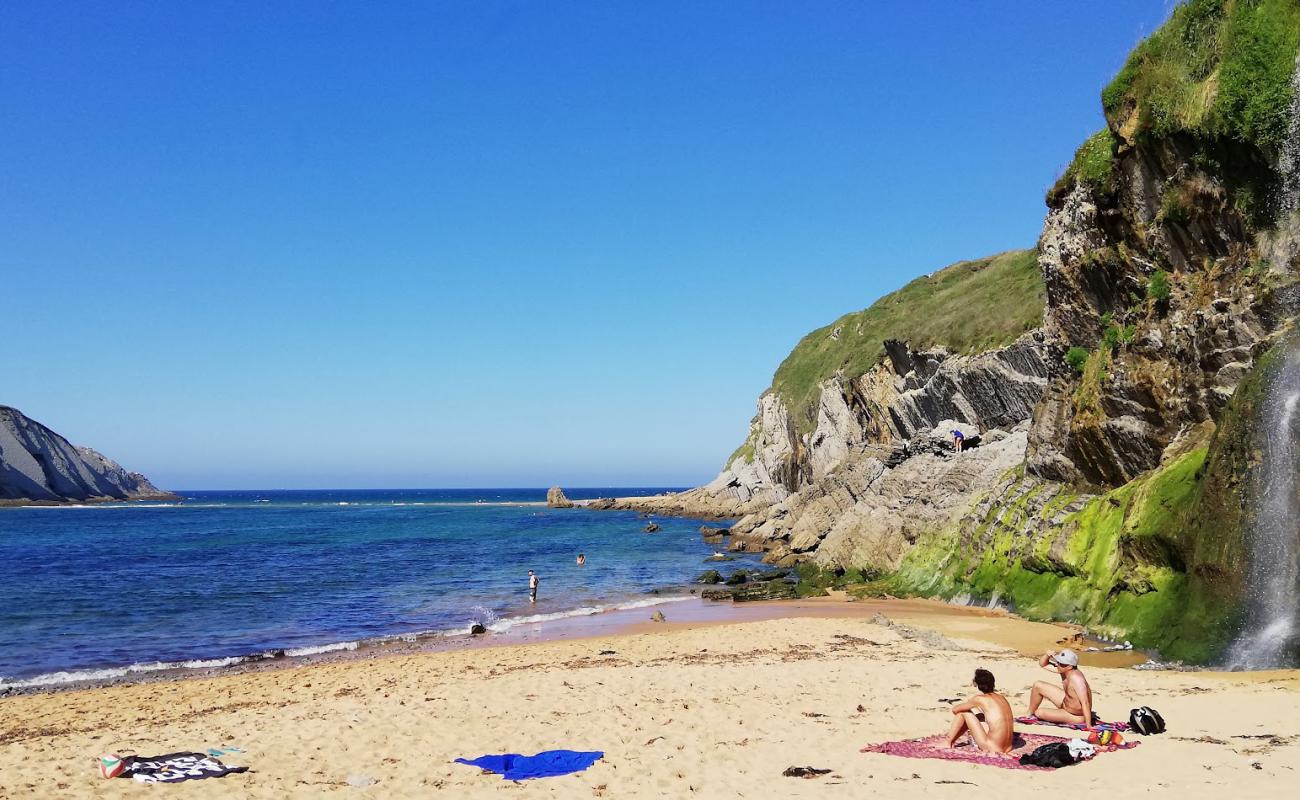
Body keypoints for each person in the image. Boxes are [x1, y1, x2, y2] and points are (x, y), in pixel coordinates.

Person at [945, 668, 1014, 755]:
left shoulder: (979, 699)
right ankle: (949, 741)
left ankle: (947, 742)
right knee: (978, 715)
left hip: (992, 747)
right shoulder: (1002, 698)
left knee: (964, 713)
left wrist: (970, 705)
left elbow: (955, 710)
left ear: (977, 684)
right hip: (1008, 747)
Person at [1027, 649, 1094, 726]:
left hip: (1075, 716)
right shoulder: (1064, 670)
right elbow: (1043, 664)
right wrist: (1047, 655)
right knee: (1038, 685)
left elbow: (1085, 702)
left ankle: (1076, 719)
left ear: (1069, 666)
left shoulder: (1077, 679)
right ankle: (1028, 714)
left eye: (1060, 663)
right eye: (1057, 662)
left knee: (1039, 712)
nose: (1057, 664)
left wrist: (1088, 726)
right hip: (1065, 703)